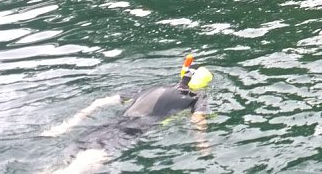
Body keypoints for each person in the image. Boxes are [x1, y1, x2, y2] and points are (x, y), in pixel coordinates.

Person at [43, 56, 213, 173]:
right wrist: (202, 144)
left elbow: (101, 101)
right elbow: (198, 119)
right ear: (202, 84)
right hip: (132, 130)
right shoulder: (196, 97)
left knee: (65, 162)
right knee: (89, 164)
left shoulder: (156, 87)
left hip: (111, 122)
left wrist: (68, 125)